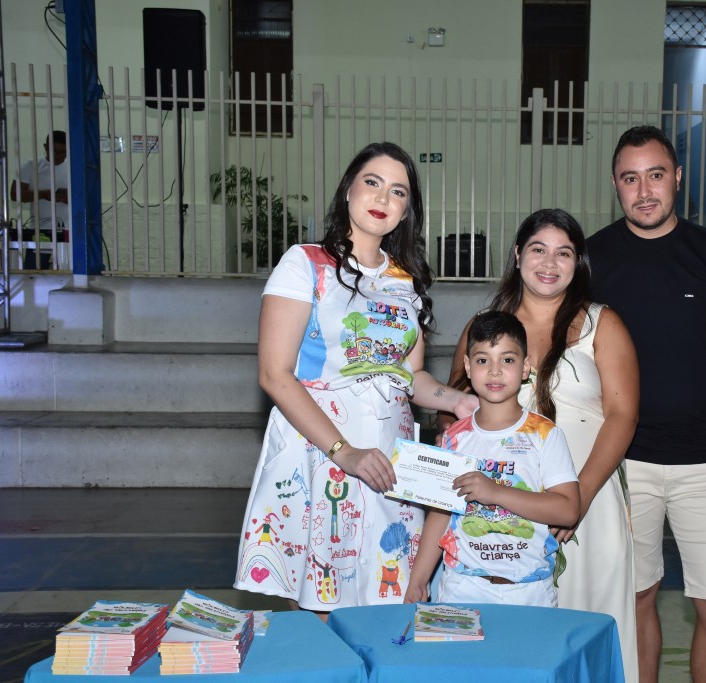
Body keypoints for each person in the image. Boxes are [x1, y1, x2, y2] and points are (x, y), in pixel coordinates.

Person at [234, 142, 478, 620]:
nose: (383, 198)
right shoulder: (305, 263)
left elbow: (409, 377)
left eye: (398, 192)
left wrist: (457, 401)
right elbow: (274, 374)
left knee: (390, 599)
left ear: (407, 210)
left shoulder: (405, 281)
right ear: (348, 189)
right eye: (373, 182)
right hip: (322, 453)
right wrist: (343, 452)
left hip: (389, 459)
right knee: (324, 609)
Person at [587, 125, 706, 683]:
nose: (644, 190)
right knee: (636, 600)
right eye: (630, 179)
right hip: (623, 465)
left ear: (678, 178)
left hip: (705, 462)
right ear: (615, 186)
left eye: (656, 175)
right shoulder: (592, 259)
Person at [436, 209, 640, 681]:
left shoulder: (602, 323)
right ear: (517, 255)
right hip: (499, 513)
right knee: (513, 646)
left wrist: (576, 500)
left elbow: (623, 416)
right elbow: (454, 411)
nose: (550, 263)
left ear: (578, 262)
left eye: (563, 253)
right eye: (538, 250)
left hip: (588, 500)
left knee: (590, 627)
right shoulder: (486, 328)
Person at [406, 310, 581, 608]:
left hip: (530, 590)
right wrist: (418, 580)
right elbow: (440, 513)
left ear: (525, 367)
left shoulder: (545, 435)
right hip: (462, 586)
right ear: (467, 366)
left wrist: (495, 492)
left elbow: (567, 511)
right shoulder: (453, 438)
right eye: (483, 360)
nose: (495, 371)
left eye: (508, 360)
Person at [9, 131, 69, 269]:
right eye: (55, 151)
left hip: (68, 231)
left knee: (69, 274)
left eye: (63, 152)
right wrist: (43, 194)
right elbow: (14, 194)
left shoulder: (74, 167)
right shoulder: (31, 166)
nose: (58, 155)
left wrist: (68, 198)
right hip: (39, 232)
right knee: (32, 273)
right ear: (45, 147)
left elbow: (86, 196)